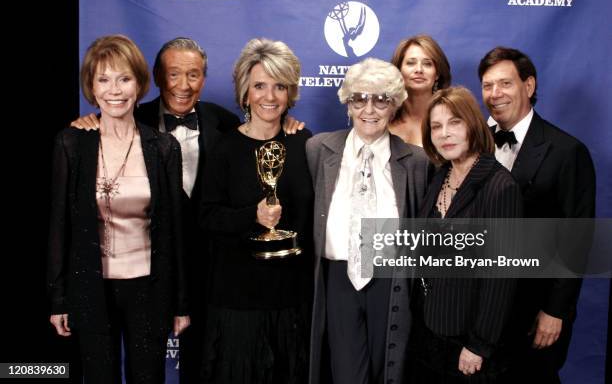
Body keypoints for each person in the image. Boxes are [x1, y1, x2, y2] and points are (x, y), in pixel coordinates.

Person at [70, 37, 305, 383]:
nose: (183, 85)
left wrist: (288, 123)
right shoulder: (130, 117)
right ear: (156, 78)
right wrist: (88, 123)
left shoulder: (221, 121)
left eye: (193, 75)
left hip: (211, 268)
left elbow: (259, 131)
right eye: (174, 74)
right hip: (149, 268)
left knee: (202, 361)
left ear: (204, 79)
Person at [48, 34, 189, 384]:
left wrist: (181, 302)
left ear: (139, 84)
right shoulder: (71, 143)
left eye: (124, 79)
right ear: (91, 87)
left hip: (149, 288)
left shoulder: (163, 147)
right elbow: (59, 226)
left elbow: (175, 231)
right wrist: (57, 298)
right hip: (90, 286)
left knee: (148, 377)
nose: (115, 90)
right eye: (104, 79)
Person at [306, 58, 431, 384]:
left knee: (388, 370)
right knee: (347, 373)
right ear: (347, 103)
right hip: (338, 277)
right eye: (359, 98)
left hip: (391, 279)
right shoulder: (319, 149)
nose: (369, 109)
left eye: (381, 99)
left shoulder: (415, 161)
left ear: (394, 105)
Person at [198, 38, 313, 384]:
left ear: (290, 92)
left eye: (280, 86)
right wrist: (253, 215)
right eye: (260, 85)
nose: (270, 96)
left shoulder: (304, 141)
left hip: (291, 298)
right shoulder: (225, 148)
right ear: (245, 91)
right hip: (238, 298)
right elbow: (206, 217)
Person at [478, 47, 596, 383]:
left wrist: (555, 310)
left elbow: (578, 239)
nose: (495, 94)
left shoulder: (567, 151)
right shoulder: (472, 144)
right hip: (479, 312)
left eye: (505, 83)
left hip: (533, 310)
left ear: (529, 86)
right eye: (487, 86)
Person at [411, 86, 522, 383]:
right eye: (436, 126)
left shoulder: (500, 187)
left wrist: (478, 344)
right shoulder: (439, 177)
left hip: (468, 344)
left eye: (454, 123)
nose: (444, 133)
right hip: (429, 333)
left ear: (473, 124)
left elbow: (501, 278)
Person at [389, 34, 451, 146]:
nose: (419, 69)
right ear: (398, 70)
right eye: (411, 63)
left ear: (437, 73)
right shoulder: (383, 117)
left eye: (427, 64)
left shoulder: (452, 116)